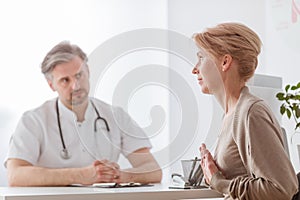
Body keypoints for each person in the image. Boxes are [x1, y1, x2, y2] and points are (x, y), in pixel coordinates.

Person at [5, 41, 162, 186]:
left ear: (88, 71)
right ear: (51, 84)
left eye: (79, 75)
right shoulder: (33, 121)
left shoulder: (115, 115)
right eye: (65, 80)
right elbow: (15, 175)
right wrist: (81, 175)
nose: (76, 86)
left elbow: (153, 169)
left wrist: (117, 175)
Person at [192, 22, 298, 199]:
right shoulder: (231, 114)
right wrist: (210, 174)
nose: (195, 69)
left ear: (225, 62)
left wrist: (219, 182)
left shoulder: (251, 113)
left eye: (201, 57)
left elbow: (281, 188)